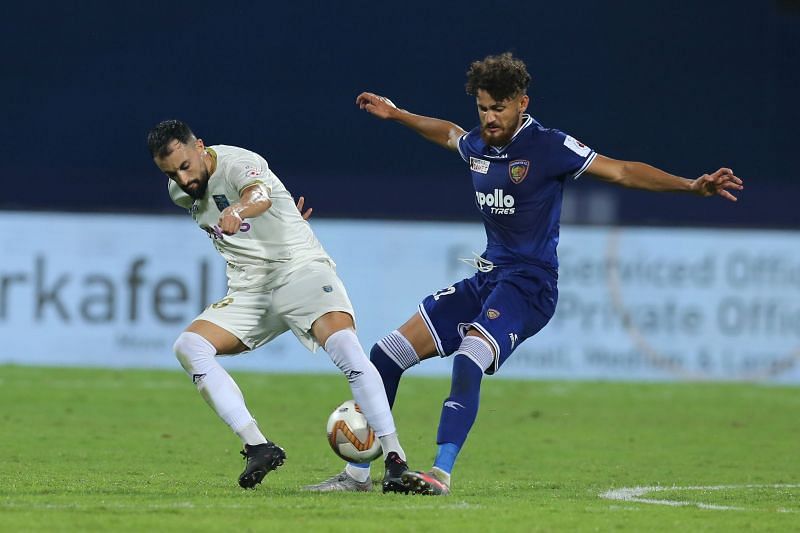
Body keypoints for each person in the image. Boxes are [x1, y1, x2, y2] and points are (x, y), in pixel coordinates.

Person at [310, 52, 744, 495]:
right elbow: (448, 134)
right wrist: (397, 113)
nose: (489, 117)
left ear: (522, 102)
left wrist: (691, 185)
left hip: (530, 285)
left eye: (499, 108)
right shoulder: (478, 144)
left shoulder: (548, 146)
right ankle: (358, 476)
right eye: (482, 107)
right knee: (386, 353)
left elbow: (621, 170)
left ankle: (439, 473)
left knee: (469, 357)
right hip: (488, 278)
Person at [146, 119, 413, 493]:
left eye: (185, 166)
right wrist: (280, 220)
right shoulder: (179, 192)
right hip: (250, 287)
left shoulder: (239, 162)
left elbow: (259, 196)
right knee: (189, 347)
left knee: (345, 347)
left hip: (298, 268)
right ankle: (258, 445)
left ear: (200, 146)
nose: (183, 178)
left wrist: (241, 211)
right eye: (171, 172)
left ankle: (395, 460)